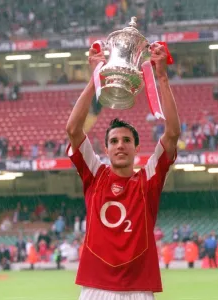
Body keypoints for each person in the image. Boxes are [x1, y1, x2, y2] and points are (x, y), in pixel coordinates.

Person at [66, 43, 180, 300]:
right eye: (114, 141)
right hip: (96, 289)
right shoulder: (95, 175)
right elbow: (73, 129)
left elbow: (172, 133)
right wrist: (95, 77)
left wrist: (161, 77)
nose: (120, 145)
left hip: (138, 290)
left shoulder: (148, 179)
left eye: (126, 140)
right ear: (105, 149)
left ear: (136, 148)